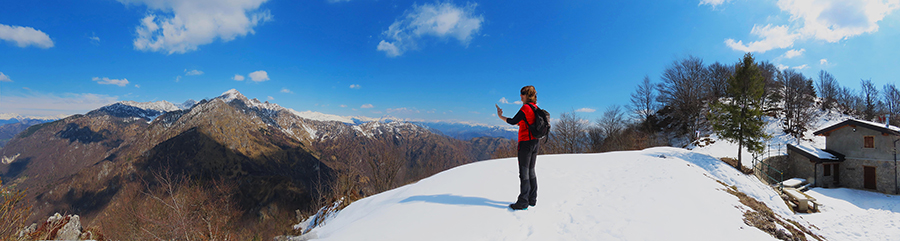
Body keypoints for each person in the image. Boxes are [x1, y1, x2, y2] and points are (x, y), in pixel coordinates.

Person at [495, 85, 539, 210]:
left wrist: (500, 117)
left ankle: (523, 202)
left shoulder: (525, 108)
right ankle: (532, 199)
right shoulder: (535, 108)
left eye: (522, 94)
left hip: (525, 143)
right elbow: (521, 122)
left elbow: (514, 121)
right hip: (535, 143)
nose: (520, 96)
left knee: (524, 172)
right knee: (531, 171)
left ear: (527, 95)